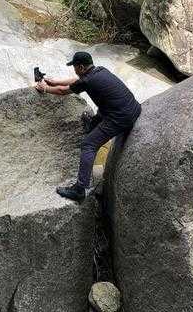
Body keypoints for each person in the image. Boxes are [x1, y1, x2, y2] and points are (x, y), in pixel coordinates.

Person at [35, 51, 141, 202]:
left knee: (88, 144)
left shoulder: (87, 80)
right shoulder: (100, 70)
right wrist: (54, 81)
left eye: (75, 67)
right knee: (100, 112)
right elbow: (77, 81)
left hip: (121, 118)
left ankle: (80, 189)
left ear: (82, 67)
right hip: (132, 108)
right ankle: (92, 126)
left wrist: (45, 89)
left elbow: (62, 91)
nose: (74, 70)